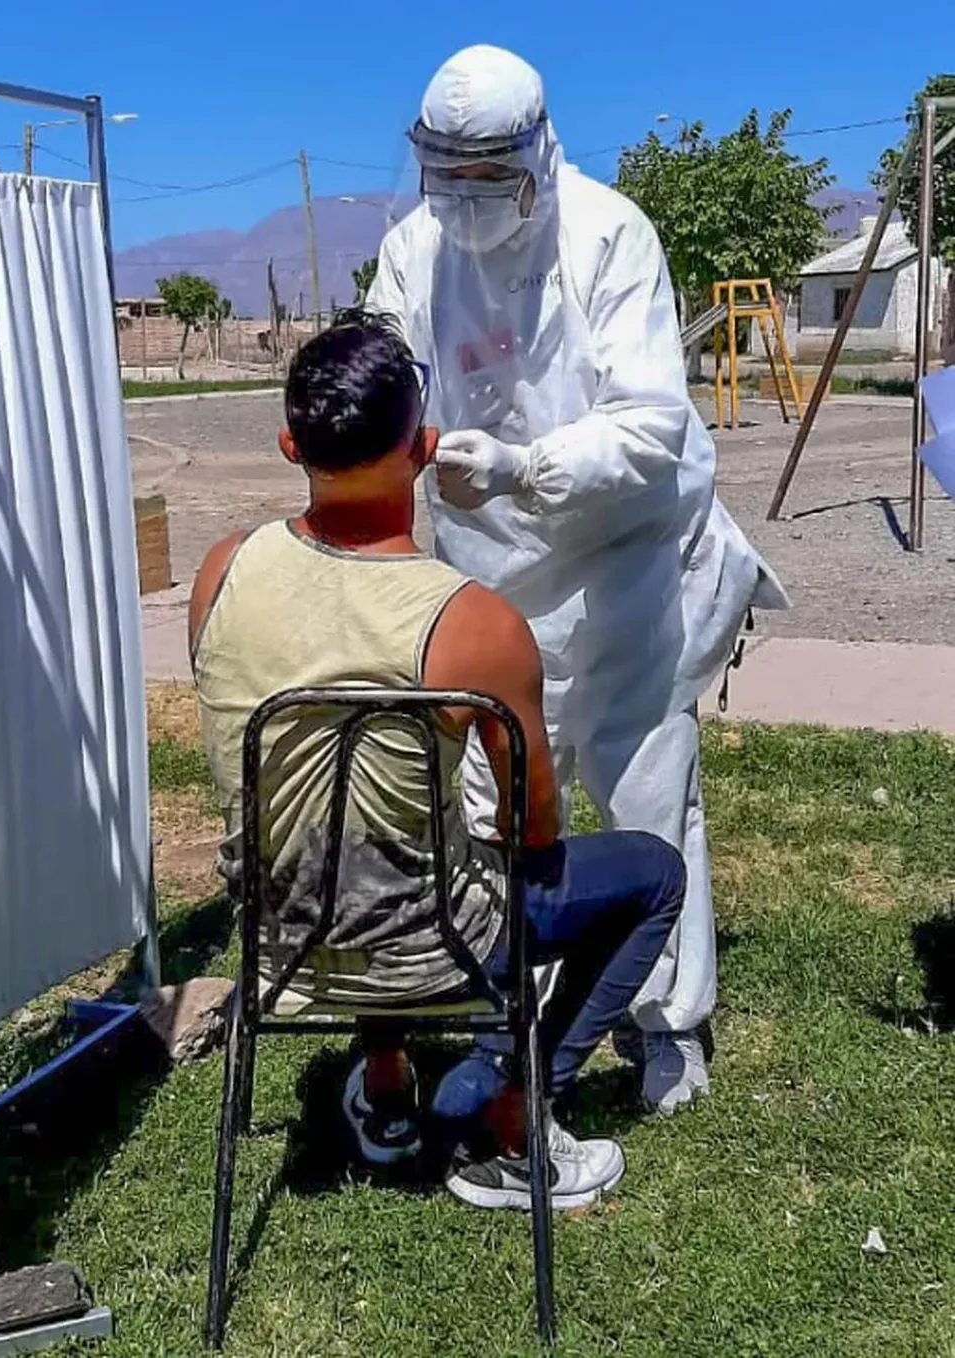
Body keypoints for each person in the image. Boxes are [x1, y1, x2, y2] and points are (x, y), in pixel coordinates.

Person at [366, 45, 789, 1115]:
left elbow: (650, 426)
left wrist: (527, 466)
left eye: (484, 178)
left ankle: (665, 1024)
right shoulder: (413, 249)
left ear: (537, 155)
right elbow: (382, 368)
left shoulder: (609, 235)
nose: (462, 204)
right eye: (443, 176)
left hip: (619, 566)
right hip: (486, 575)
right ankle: (505, 997)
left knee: (645, 782)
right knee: (489, 800)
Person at [189, 311, 686, 1211]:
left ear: (288, 442)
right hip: (429, 947)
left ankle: (386, 1088)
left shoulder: (221, 571)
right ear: (422, 449)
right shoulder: (474, 624)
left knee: (357, 843)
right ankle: (514, 1113)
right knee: (652, 874)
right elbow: (534, 826)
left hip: (281, 936)